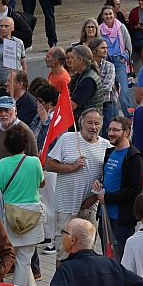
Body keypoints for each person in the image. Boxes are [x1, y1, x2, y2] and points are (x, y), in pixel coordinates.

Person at [44, 109, 109, 261]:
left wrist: (94, 197)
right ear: (81, 124)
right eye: (90, 123)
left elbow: (107, 177)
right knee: (64, 252)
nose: (93, 127)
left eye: (97, 123)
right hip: (66, 206)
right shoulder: (67, 138)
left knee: (87, 252)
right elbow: (49, 165)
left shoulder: (106, 146)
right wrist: (72, 166)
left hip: (89, 207)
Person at [0, 125, 45, 286]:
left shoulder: (2, 163)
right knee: (24, 259)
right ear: (25, 144)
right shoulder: (34, 161)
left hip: (10, 214)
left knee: (17, 259)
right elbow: (41, 183)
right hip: (32, 215)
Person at [94, 115, 143, 258]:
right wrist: (99, 183)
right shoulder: (109, 152)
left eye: (115, 130)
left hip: (121, 218)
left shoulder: (134, 156)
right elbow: (110, 178)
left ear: (126, 132)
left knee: (121, 258)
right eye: (109, 129)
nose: (110, 133)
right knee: (107, 256)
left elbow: (135, 189)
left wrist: (107, 197)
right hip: (104, 214)